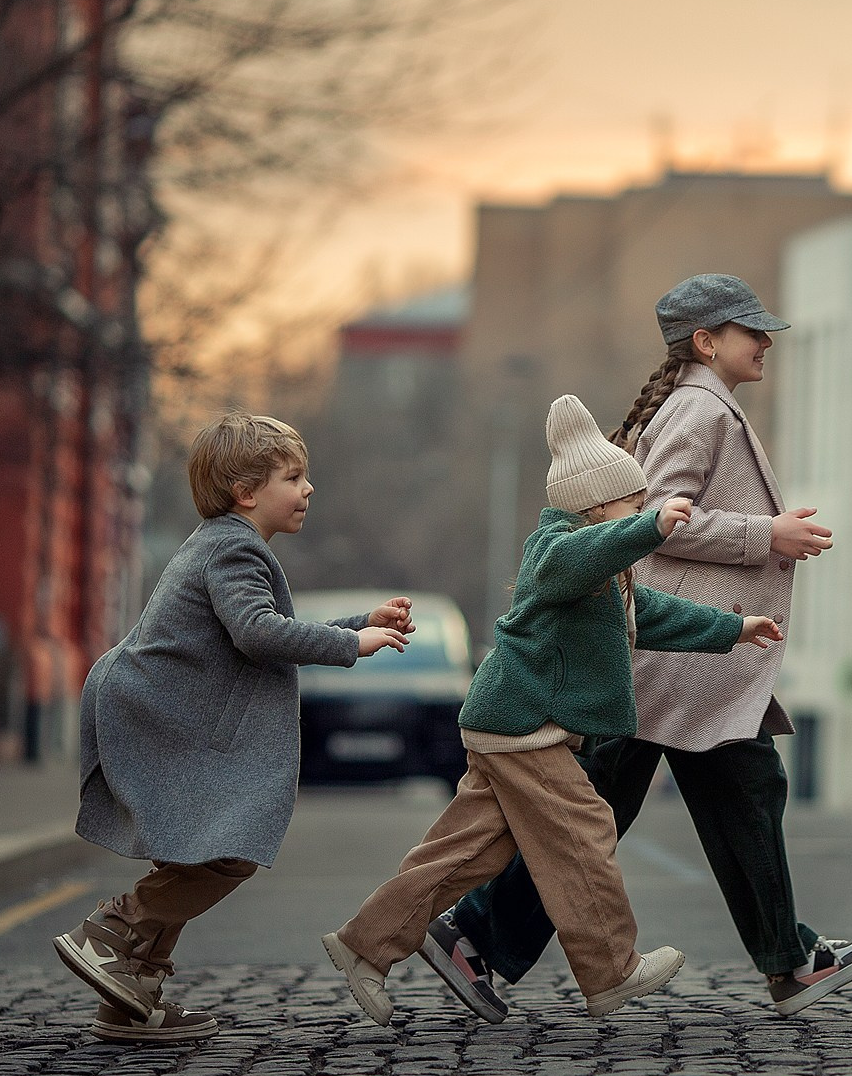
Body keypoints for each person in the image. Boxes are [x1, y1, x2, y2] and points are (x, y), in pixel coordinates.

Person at [436, 274, 852, 1019]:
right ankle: (477, 933)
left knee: (695, 794)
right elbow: (656, 518)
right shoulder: (698, 407)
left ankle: (480, 936)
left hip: (683, 657)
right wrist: (764, 534)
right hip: (679, 651)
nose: (766, 340)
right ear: (707, 341)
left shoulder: (705, 404)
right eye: (752, 330)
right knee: (675, 796)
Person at [322, 395, 784, 1027]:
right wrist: (650, 529)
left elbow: (650, 614)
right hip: (523, 726)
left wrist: (734, 626)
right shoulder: (558, 550)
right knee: (584, 827)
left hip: (512, 724)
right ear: (596, 506)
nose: (641, 511)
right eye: (631, 502)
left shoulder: (600, 562)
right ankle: (610, 972)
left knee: (468, 852)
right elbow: (573, 563)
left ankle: (362, 946)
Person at [55, 412, 413, 1043]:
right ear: (248, 492)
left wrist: (362, 618)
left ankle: (132, 992)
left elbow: (261, 622)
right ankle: (112, 930)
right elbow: (258, 633)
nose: (308, 490)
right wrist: (353, 642)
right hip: (160, 714)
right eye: (294, 477)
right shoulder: (233, 546)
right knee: (228, 851)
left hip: (165, 711)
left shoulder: (225, 543)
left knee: (196, 849)